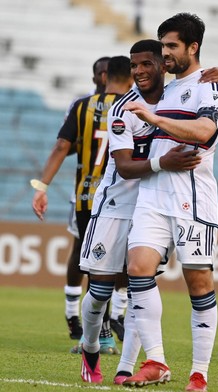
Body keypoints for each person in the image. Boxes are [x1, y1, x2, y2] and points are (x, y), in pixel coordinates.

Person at [78, 38, 218, 386]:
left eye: (146, 64)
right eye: (134, 66)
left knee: (139, 283)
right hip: (116, 205)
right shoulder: (125, 108)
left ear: (163, 65)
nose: (138, 71)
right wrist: (162, 162)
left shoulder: (175, 95)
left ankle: (132, 365)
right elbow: (123, 167)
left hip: (152, 202)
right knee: (99, 294)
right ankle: (90, 344)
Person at [120, 13, 218, 392]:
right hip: (154, 192)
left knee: (197, 281)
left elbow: (205, 131)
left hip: (192, 198)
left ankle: (198, 373)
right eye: (162, 46)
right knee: (138, 268)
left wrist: (154, 119)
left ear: (193, 47)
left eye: (171, 46)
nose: (164, 54)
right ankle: (155, 360)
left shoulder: (208, 87)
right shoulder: (165, 89)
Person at [30, 55, 133, 353]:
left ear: (105, 76)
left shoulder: (82, 106)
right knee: (126, 266)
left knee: (93, 267)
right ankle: (115, 329)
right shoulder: (133, 106)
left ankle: (99, 335)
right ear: (130, 77)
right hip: (125, 198)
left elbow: (62, 146)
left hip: (88, 198)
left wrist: (42, 187)